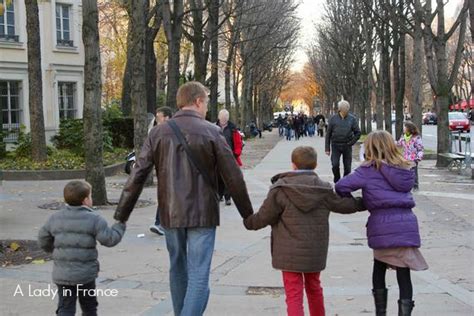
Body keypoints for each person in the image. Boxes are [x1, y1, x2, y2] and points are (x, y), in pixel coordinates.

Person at [114, 81, 254, 316]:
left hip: (170, 212)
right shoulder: (212, 131)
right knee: (199, 275)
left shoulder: (158, 132)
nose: (207, 108)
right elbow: (234, 177)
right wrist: (248, 215)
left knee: (177, 268)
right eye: (207, 102)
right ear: (198, 101)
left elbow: (137, 175)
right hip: (203, 213)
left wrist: (121, 215)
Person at [244, 146, 365, 316]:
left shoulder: (280, 190)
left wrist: (249, 222)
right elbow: (345, 205)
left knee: (293, 294)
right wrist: (366, 201)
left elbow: (264, 217)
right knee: (314, 287)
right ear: (315, 165)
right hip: (314, 251)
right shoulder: (324, 190)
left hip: (288, 253)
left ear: (293, 165)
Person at [335, 130, 428, 316]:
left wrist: (361, 201)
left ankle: (381, 312)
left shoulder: (368, 169)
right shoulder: (404, 168)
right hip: (406, 223)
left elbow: (341, 186)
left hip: (381, 224)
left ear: (370, 147)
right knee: (404, 272)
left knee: (379, 267)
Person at [38, 181, 126, 316]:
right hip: (85, 275)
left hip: (62, 274)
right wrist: (120, 225)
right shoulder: (95, 219)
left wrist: (53, 250)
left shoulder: (55, 218)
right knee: (89, 307)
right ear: (85, 200)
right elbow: (109, 240)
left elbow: (43, 238)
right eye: (90, 196)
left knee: (65, 307)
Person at [150, 106, 173, 236]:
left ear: (166, 117)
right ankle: (161, 223)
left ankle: (161, 223)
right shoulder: (159, 131)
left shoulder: (172, 131)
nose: (157, 121)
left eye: (159, 118)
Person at [325, 100, 361, 183]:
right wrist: (327, 148)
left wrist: (351, 142)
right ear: (340, 109)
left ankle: (345, 182)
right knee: (335, 164)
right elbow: (328, 134)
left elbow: (358, 133)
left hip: (347, 146)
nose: (346, 110)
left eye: (347, 108)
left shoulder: (352, 119)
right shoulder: (333, 119)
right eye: (344, 108)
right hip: (335, 145)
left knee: (347, 167)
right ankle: (337, 179)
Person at [217, 109, 244, 205]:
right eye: (222, 117)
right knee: (218, 178)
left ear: (228, 118)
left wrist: (236, 154)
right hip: (217, 157)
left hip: (230, 157)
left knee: (229, 179)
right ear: (219, 117)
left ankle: (228, 197)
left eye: (225, 117)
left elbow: (238, 143)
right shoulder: (213, 127)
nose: (223, 119)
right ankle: (219, 195)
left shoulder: (233, 129)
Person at [397, 122, 423, 191]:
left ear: (409, 129)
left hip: (413, 158)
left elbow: (420, 148)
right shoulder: (403, 137)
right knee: (405, 172)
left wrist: (418, 157)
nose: (404, 129)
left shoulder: (416, 137)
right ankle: (406, 184)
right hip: (405, 158)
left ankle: (415, 185)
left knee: (413, 172)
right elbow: (398, 144)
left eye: (405, 127)